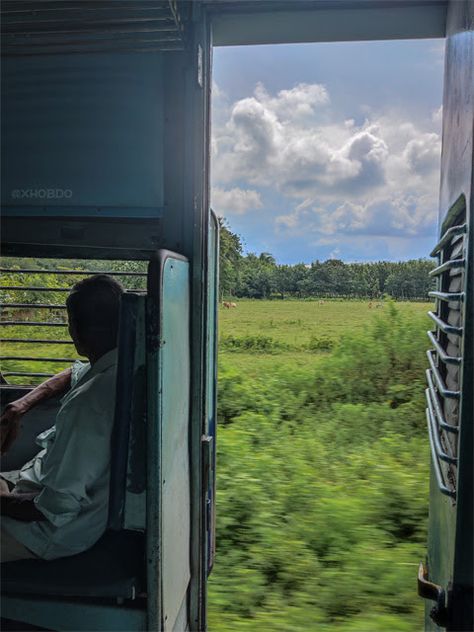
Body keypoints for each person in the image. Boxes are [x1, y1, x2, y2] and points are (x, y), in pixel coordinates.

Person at [0, 274, 123, 563]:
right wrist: (23, 404)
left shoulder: (88, 405)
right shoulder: (117, 365)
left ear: (78, 331)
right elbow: (76, 372)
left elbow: (53, 509)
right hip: (36, 486)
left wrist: (2, 499)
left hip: (48, 533)